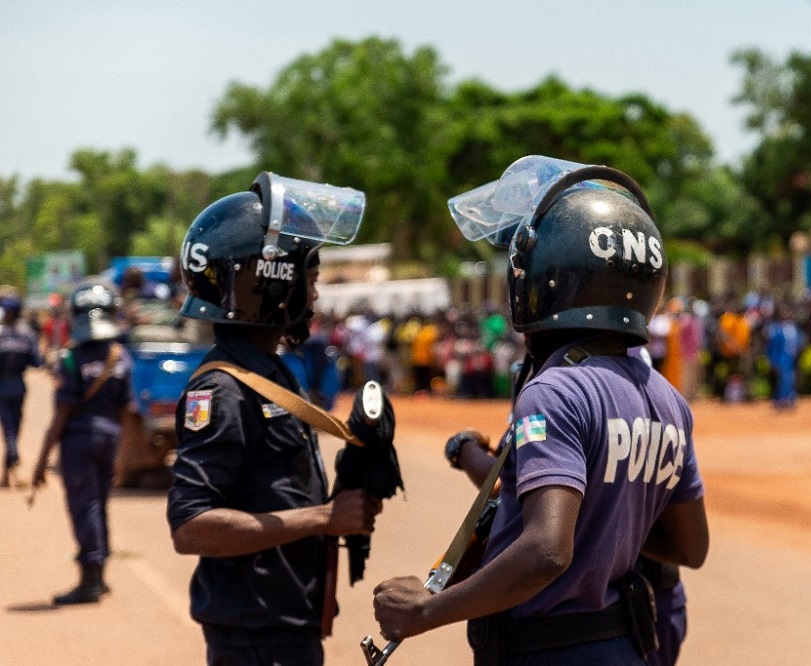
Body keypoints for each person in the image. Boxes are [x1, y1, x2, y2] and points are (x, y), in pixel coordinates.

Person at [373, 156, 709, 664]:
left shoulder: (554, 392)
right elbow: (690, 548)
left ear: (548, 281)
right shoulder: (669, 402)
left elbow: (546, 551)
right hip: (621, 646)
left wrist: (427, 609)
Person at [165, 173, 391, 666]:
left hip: (283, 630)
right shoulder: (222, 389)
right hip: (257, 641)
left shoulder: (269, 373)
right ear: (273, 283)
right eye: (309, 278)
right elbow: (191, 525)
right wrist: (323, 519)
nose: (315, 295)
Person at [31, 277, 134, 604]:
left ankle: (89, 580)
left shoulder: (71, 360)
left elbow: (60, 416)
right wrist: (119, 454)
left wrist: (41, 461)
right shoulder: (120, 356)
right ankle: (99, 576)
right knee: (99, 506)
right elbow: (123, 411)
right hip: (110, 438)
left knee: (84, 507)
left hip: (79, 443)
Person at [0, 294, 44, 488]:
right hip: (8, 386)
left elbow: (36, 361)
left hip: (15, 385)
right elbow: (36, 360)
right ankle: (13, 455)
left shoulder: (23, 334)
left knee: (14, 427)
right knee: (10, 427)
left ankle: (8, 467)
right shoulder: (25, 334)